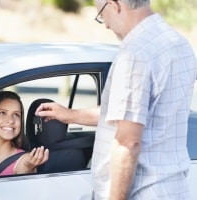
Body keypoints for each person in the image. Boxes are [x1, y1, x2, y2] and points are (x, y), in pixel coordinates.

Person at [35, 0, 197, 199]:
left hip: (144, 192)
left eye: (102, 15)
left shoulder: (135, 54)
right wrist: (70, 115)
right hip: (174, 190)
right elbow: (136, 114)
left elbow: (127, 142)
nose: (106, 25)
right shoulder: (179, 44)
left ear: (115, 5)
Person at [0, 91, 49, 177]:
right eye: (2, 113)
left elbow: (25, 167)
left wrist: (28, 167)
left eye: (16, 115)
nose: (11, 120)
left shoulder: (24, 159)